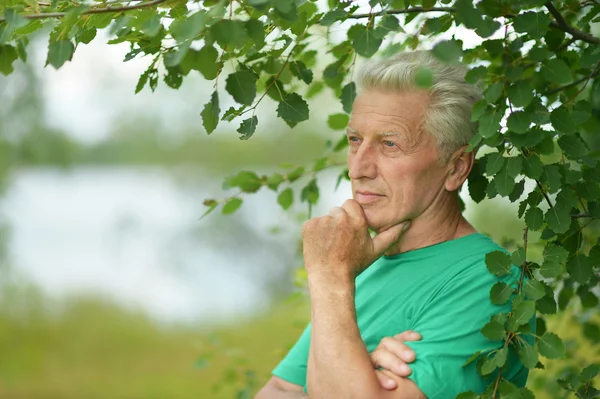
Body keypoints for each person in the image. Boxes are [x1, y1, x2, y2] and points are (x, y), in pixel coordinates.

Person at [255, 51, 531, 399]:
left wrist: (328, 279)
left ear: (457, 167)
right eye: (355, 140)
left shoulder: (491, 279)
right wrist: (361, 371)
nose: (359, 168)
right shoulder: (365, 267)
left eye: (389, 144)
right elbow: (276, 391)